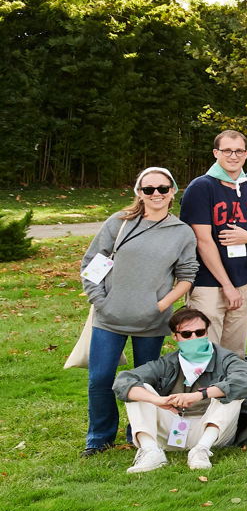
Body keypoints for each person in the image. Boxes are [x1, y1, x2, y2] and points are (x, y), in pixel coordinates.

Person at [78, 168, 199, 455]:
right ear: (138, 193)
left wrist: (160, 305)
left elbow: (187, 275)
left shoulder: (181, 232)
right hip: (109, 318)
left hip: (151, 321)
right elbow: (91, 264)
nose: (156, 194)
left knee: (145, 382)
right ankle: (99, 438)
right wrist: (101, 301)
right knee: (101, 379)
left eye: (162, 188)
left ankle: (140, 435)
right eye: (149, 189)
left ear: (173, 191)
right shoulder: (119, 223)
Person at [115, 307, 247, 473]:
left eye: (200, 332)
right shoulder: (167, 362)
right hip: (174, 427)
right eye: (187, 334)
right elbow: (123, 381)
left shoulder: (226, 358)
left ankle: (201, 451)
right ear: (175, 337)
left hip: (211, 430)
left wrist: (199, 395)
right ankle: (151, 451)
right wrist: (158, 400)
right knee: (139, 389)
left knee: (231, 392)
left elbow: (246, 379)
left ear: (206, 332)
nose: (194, 337)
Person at [180, 129, 247, 354]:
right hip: (209, 284)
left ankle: (228, 391)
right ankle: (199, 391)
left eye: (238, 151)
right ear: (216, 153)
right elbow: (203, 241)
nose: (233, 156)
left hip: (246, 282)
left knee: (234, 355)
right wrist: (227, 285)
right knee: (202, 352)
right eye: (227, 151)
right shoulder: (201, 187)